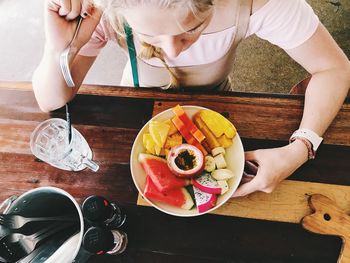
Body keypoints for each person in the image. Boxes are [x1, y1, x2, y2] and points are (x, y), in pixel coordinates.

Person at [32, 0, 350, 197]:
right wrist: (59, 49)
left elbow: (334, 68)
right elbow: (51, 100)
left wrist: (300, 147)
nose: (172, 51)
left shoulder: (257, 3)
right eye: (151, 36)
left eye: (192, 28)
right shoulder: (100, 10)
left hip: (218, 100)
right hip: (137, 104)